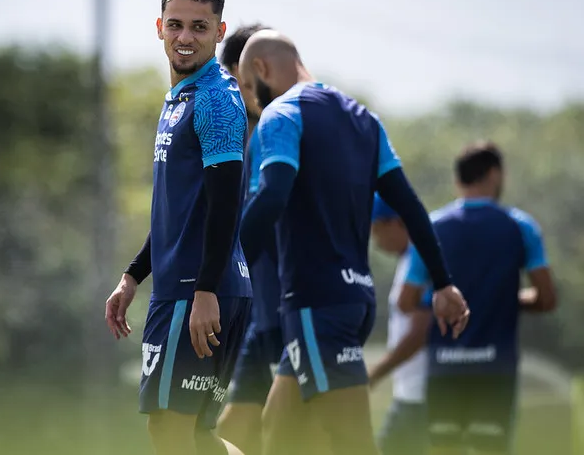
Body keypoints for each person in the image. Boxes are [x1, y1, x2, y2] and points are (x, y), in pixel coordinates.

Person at [235, 29, 470, 455]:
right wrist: (443, 282)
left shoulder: (281, 115)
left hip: (315, 302)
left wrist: (228, 268)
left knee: (352, 442)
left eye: (250, 89)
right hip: (354, 300)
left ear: (262, 69)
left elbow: (272, 195)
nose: (253, 102)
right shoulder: (364, 119)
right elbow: (411, 206)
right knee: (278, 429)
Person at [104, 0, 252, 455]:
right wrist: (133, 276)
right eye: (176, 25)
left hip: (198, 294)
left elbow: (227, 202)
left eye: (199, 27)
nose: (186, 37)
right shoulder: (178, 100)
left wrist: (205, 289)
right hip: (191, 289)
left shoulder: (214, 98)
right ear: (159, 28)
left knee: (169, 436)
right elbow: (180, 211)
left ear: (219, 30)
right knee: (195, 437)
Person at [399, 141, 557, 455]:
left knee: (445, 450)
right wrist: (507, 300)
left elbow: (406, 301)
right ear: (495, 174)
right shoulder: (520, 226)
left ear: (458, 180)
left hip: (445, 367)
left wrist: (446, 304)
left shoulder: (432, 227)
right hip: (495, 369)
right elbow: (547, 298)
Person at [216, 24, 284, 455]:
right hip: (254, 318)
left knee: (293, 435)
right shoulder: (240, 139)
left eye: (238, 84)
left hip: (284, 313)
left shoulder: (280, 132)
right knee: (236, 431)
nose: (235, 95)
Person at [368, 193, 432, 455]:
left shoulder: (423, 258)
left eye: (377, 230)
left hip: (423, 396)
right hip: (408, 393)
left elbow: (420, 332)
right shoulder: (409, 259)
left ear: (396, 223)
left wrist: (375, 373)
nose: (375, 240)